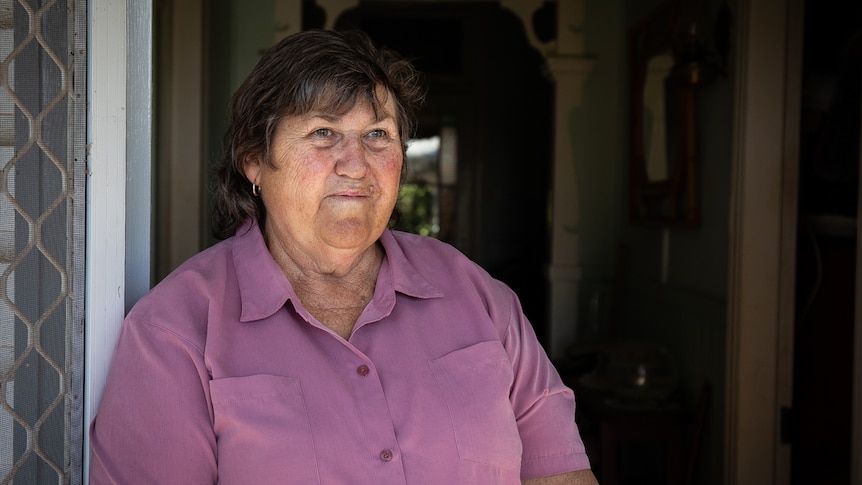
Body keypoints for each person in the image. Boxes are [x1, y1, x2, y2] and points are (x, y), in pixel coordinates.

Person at [89, 29, 598, 484]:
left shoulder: (478, 295)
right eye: (323, 133)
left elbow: (560, 472)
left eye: (377, 135)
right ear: (254, 160)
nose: (356, 165)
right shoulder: (175, 331)